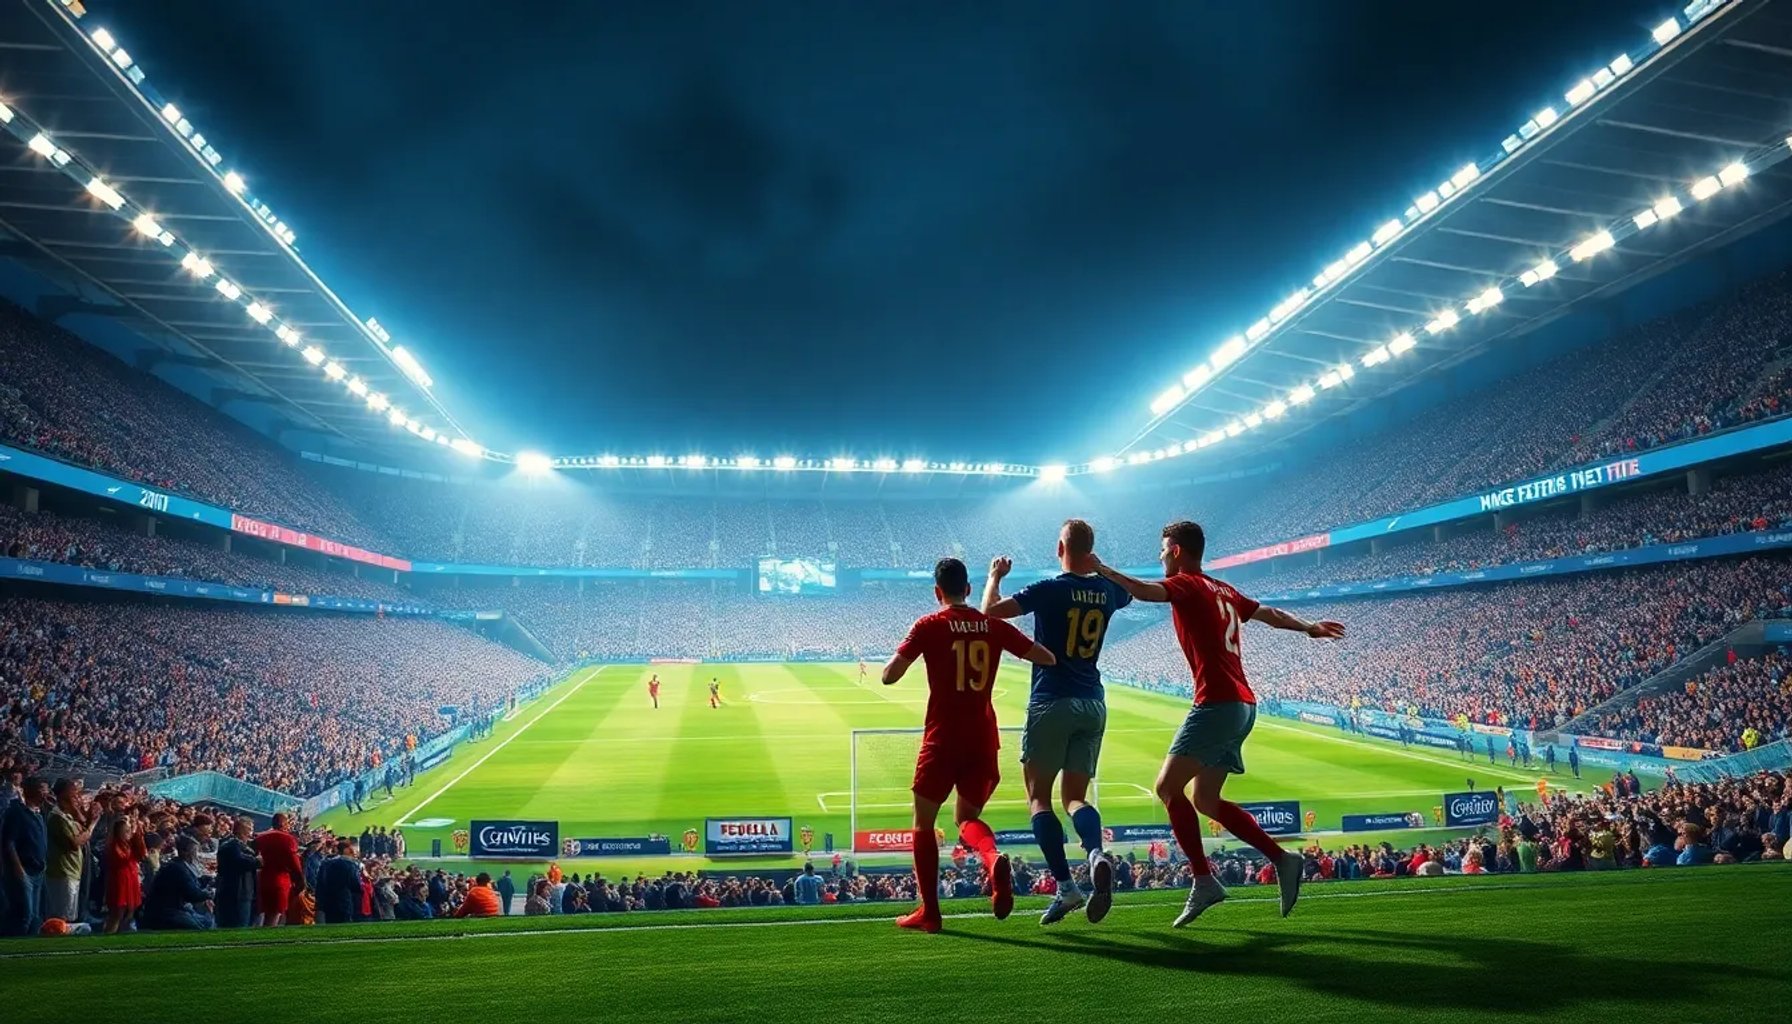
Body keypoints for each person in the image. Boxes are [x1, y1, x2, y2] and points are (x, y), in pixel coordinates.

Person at [1091, 521, 1343, 927]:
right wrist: (1308, 627)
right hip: (1244, 704)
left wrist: (1102, 569)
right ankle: (1282, 858)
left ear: (1175, 550)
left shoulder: (1188, 585)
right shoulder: (1222, 589)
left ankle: (1204, 879)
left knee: (1167, 787)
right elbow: (1268, 613)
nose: (1160, 557)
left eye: (1162, 550)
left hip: (1218, 703)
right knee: (1205, 799)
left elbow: (1145, 591)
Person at [881, 556, 1056, 932]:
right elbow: (1046, 656)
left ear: (937, 591)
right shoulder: (993, 626)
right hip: (982, 739)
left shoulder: (928, 625)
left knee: (923, 825)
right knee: (966, 819)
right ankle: (991, 859)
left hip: (942, 739)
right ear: (969, 589)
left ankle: (929, 911)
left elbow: (889, 676)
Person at [982, 519, 1133, 925]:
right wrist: (1100, 569)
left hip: (1051, 700)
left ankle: (1066, 888)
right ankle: (1096, 852)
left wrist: (994, 577)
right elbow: (1129, 591)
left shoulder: (1049, 589)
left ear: (1059, 547)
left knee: (1039, 799)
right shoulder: (1108, 591)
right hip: (1093, 702)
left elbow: (991, 614)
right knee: (1076, 798)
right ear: (1091, 551)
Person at [0, 776, 49, 936]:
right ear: (32, 790)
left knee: (35, 915)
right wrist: (18, 868)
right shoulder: (16, 813)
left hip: (38, 869)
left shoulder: (40, 814)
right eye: (43, 788)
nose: (46, 792)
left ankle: (30, 948)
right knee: (23, 915)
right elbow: (9, 843)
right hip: (24, 870)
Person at [44, 779, 92, 926]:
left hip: (71, 870)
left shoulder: (67, 815)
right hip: (62, 872)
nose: (77, 797)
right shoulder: (56, 817)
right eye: (74, 793)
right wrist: (92, 825)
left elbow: (82, 827)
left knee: (68, 915)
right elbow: (75, 843)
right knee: (60, 917)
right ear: (64, 794)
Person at [143, 836, 214, 931]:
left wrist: (206, 880)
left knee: (204, 921)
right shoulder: (178, 869)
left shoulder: (178, 865)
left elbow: (191, 883)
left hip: (172, 909)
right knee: (203, 925)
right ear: (185, 852)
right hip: (167, 913)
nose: (197, 855)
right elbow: (193, 895)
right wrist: (210, 894)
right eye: (194, 851)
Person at [254, 812, 306, 927]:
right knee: (274, 916)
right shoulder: (288, 839)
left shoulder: (260, 837)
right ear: (283, 823)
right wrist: (301, 881)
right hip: (279, 881)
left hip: (261, 879)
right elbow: (294, 863)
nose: (289, 826)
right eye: (287, 823)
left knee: (262, 915)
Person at [214, 817, 261, 928]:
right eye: (250, 829)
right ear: (243, 830)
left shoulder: (236, 845)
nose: (252, 832)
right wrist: (257, 861)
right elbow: (240, 861)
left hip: (240, 892)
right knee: (237, 926)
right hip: (236, 893)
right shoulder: (231, 846)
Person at [102, 817, 146, 935]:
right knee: (118, 912)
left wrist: (138, 835)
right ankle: (109, 934)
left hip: (131, 878)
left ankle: (121, 934)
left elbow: (142, 854)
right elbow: (122, 859)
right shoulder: (114, 845)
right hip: (120, 880)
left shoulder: (129, 844)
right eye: (126, 831)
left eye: (129, 830)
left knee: (130, 910)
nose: (129, 833)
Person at [315, 839, 363, 925]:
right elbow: (355, 884)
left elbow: (320, 883)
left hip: (327, 901)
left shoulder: (326, 863)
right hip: (343, 900)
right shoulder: (350, 864)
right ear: (346, 850)